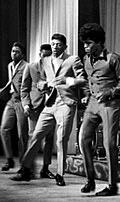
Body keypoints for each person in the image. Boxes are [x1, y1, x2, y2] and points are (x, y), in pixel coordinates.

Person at [10, 33, 86, 186]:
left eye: (58, 44)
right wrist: (41, 85)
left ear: (65, 46)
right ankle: (25, 169)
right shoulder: (44, 61)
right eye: (53, 44)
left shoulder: (73, 60)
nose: (55, 47)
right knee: (36, 135)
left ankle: (60, 174)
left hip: (66, 103)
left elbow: (83, 80)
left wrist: (67, 80)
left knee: (61, 139)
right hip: (50, 104)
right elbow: (40, 82)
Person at [78, 23, 120, 196]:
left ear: (99, 42)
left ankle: (112, 185)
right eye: (84, 43)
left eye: (88, 43)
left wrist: (109, 93)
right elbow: (87, 79)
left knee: (109, 143)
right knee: (84, 138)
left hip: (110, 104)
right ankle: (90, 179)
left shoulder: (114, 59)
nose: (85, 46)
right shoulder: (86, 59)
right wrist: (87, 93)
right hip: (93, 103)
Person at [20, 44, 55, 179]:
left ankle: (45, 169)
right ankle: (28, 168)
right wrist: (26, 105)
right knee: (33, 137)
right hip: (34, 107)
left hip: (51, 106)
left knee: (49, 139)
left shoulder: (56, 68)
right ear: (39, 54)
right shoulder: (31, 67)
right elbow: (24, 89)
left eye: (49, 55)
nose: (46, 58)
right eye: (44, 55)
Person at [0, 42, 28, 171]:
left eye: (16, 51)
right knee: (4, 129)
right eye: (12, 51)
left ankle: (23, 163)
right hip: (11, 100)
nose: (13, 54)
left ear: (22, 54)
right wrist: (3, 89)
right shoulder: (10, 65)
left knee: (22, 133)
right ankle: (9, 159)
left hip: (21, 101)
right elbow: (11, 81)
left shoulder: (27, 66)